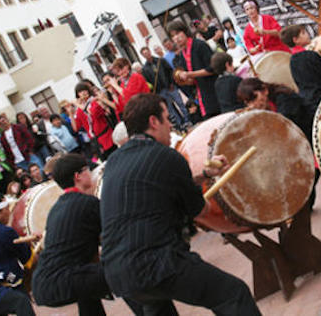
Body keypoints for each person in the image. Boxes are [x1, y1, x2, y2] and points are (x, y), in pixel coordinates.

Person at [101, 93, 261, 315]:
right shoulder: (166, 155)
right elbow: (201, 210)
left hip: (118, 274)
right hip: (156, 263)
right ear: (153, 122)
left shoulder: (115, 161)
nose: (171, 125)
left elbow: (159, 184)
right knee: (233, 295)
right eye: (167, 118)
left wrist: (204, 174)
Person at [32, 154, 114, 315]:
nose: (90, 173)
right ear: (78, 176)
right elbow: (115, 235)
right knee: (124, 269)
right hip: (64, 280)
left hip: (42, 284)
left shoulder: (56, 207)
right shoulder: (88, 203)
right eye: (87, 170)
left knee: (88, 287)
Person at [237, 77, 321, 209]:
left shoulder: (284, 97)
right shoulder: (264, 106)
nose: (252, 105)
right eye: (248, 102)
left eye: (254, 98)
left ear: (264, 90)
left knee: (306, 181)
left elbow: (283, 126)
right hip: (296, 144)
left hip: (310, 138)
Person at [280, 25, 321, 126]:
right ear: (296, 40)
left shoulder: (292, 60)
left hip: (309, 101)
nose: (307, 35)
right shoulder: (311, 55)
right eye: (303, 33)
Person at [168, 20, 221, 119]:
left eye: (178, 33)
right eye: (173, 36)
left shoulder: (199, 45)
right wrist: (183, 80)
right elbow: (192, 80)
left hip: (215, 90)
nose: (176, 37)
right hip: (203, 94)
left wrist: (189, 74)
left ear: (185, 32)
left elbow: (212, 69)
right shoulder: (182, 54)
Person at [140, 46, 190, 131]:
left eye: (147, 52)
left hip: (170, 86)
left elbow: (170, 71)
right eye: (144, 54)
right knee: (170, 110)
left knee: (180, 103)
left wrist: (171, 83)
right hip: (160, 91)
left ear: (150, 51)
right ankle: (180, 124)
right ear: (143, 56)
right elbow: (148, 82)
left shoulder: (160, 60)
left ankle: (188, 120)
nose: (147, 54)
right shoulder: (145, 69)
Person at [69, 81, 116, 161]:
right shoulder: (79, 110)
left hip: (107, 136)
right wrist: (70, 113)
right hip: (96, 141)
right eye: (80, 92)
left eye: (84, 90)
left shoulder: (95, 101)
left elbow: (92, 113)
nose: (83, 93)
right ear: (78, 95)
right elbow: (76, 128)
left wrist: (78, 105)